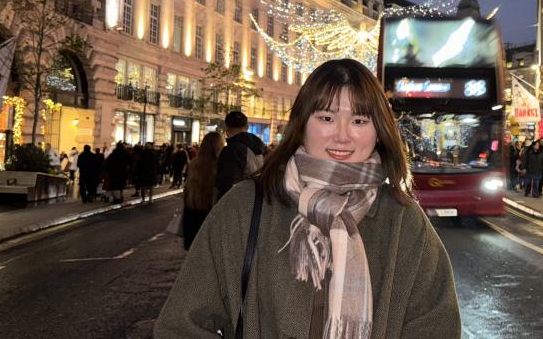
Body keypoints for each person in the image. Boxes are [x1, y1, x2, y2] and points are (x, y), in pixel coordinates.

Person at [155, 59, 460, 338]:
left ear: (378, 131)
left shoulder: (403, 221)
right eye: (326, 117)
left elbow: (436, 326)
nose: (342, 135)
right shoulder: (245, 206)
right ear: (301, 126)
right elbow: (180, 324)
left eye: (359, 121)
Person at [182, 132, 225, 250]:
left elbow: (187, 188)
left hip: (192, 208)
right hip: (209, 210)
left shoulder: (194, 163)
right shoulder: (220, 164)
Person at [215, 110, 267, 201]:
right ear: (247, 127)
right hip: (256, 202)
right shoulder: (261, 149)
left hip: (236, 205)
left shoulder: (231, 150)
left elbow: (227, 185)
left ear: (226, 129)